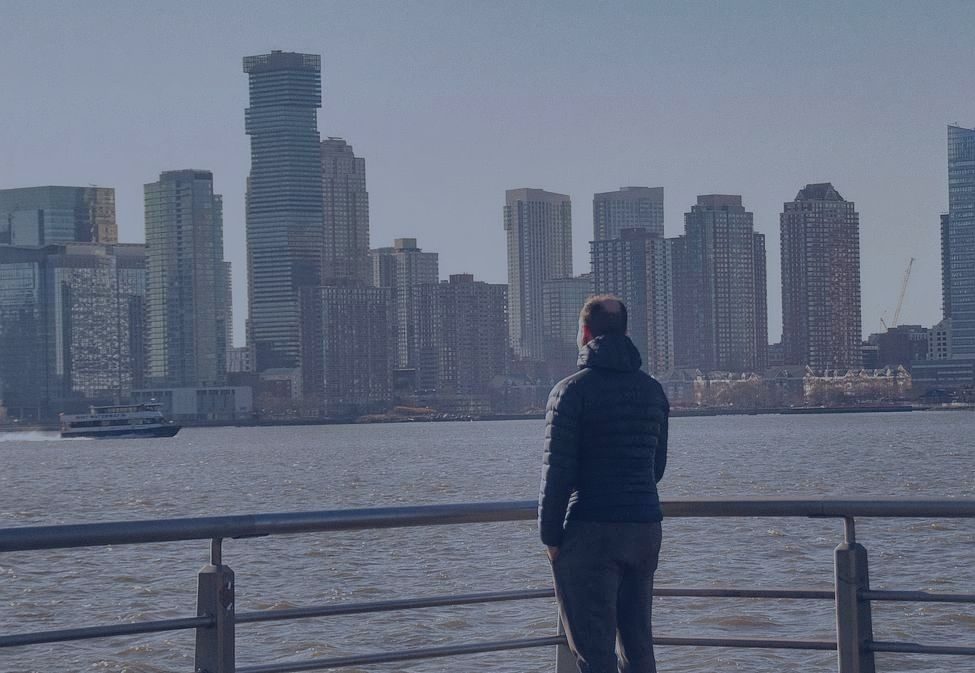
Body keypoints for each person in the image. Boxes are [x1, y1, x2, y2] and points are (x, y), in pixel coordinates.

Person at [539, 295, 670, 673]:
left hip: (592, 531)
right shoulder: (652, 391)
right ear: (625, 332)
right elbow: (655, 468)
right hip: (645, 529)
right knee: (640, 652)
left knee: (595, 655)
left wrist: (551, 539)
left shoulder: (570, 392)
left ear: (584, 333)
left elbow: (557, 474)